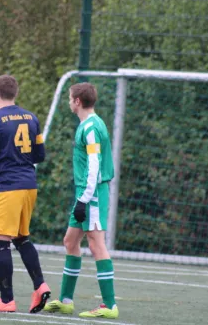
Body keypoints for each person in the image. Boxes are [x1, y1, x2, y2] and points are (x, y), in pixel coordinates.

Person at [44, 82, 118, 319]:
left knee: (96, 244)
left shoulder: (90, 128)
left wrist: (85, 199)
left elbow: (95, 166)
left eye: (69, 98)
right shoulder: (89, 125)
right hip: (85, 193)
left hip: (92, 193)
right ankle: (66, 301)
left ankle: (109, 305)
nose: (68, 102)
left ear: (77, 101)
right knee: (70, 241)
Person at [0, 74, 51, 313]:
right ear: (15, 93)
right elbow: (40, 155)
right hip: (29, 185)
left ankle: (7, 300)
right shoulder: (32, 118)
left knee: (1, 242)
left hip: (7, 186)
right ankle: (40, 286)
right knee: (21, 238)